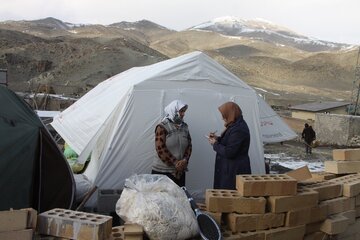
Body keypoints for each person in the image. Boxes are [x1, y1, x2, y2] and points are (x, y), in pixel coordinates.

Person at [208, 101, 251, 190]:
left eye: (224, 115)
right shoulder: (234, 125)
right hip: (229, 169)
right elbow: (230, 141)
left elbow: (229, 152)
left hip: (234, 171)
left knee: (230, 199)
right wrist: (218, 139)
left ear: (231, 114)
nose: (223, 118)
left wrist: (215, 144)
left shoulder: (239, 129)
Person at [151, 100, 192, 187]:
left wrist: (184, 161)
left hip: (179, 172)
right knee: (163, 199)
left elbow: (189, 146)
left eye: (184, 111)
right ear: (174, 111)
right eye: (181, 111)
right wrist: (175, 162)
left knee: (178, 198)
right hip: (163, 172)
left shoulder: (185, 126)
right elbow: (160, 148)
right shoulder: (162, 127)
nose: (183, 114)